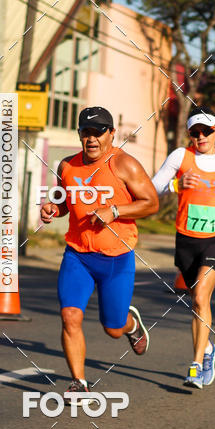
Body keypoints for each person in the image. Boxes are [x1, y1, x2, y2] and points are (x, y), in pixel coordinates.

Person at [40, 106, 159, 397]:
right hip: (78, 255)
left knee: (113, 328)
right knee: (70, 316)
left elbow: (151, 203)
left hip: (116, 257)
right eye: (86, 132)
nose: (92, 138)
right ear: (79, 134)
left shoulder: (124, 165)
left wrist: (115, 210)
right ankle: (79, 382)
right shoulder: (67, 166)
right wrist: (54, 209)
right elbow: (66, 201)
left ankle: (131, 325)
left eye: (99, 132)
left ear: (111, 134)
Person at [152, 108, 215, 389]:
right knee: (196, 304)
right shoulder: (180, 157)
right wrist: (176, 184)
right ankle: (208, 348)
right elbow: (153, 188)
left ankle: (196, 365)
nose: (201, 137)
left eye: (206, 131)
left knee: (200, 297)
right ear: (190, 135)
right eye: (195, 132)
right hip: (186, 239)